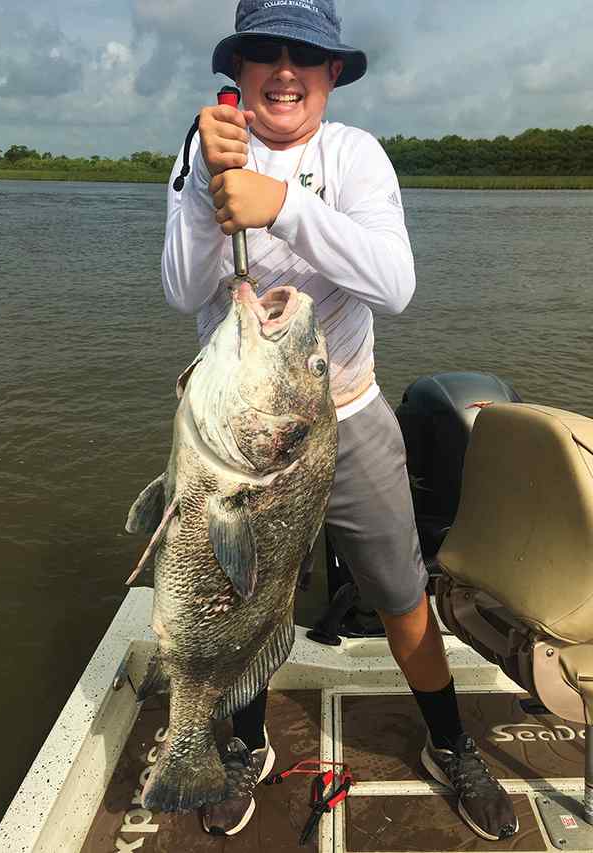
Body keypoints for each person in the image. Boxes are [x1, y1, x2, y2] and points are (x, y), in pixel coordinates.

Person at [162, 0, 518, 842]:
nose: (285, 70)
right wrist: (206, 197)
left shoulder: (355, 156)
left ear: (330, 74)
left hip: (345, 420)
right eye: (266, 53)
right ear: (238, 71)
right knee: (240, 592)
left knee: (402, 595)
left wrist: (279, 202)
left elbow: (395, 285)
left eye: (305, 56)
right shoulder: (201, 148)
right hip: (234, 438)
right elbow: (182, 289)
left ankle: (450, 741)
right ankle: (238, 748)